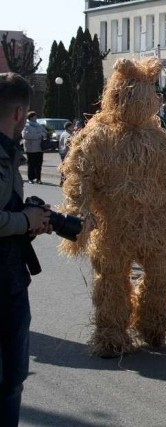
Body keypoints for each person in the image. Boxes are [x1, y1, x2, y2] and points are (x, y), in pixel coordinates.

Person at [0, 72, 52, 426]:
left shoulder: (8, 153)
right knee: (8, 382)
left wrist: (30, 222)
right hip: (2, 287)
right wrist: (24, 220)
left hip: (9, 274)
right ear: (20, 114)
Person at [20, 111, 47, 184]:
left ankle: (38, 178)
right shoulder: (26, 126)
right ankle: (30, 178)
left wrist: (42, 134)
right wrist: (38, 135)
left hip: (39, 148)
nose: (36, 118)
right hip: (30, 148)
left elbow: (45, 133)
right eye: (34, 116)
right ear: (31, 117)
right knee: (31, 164)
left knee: (39, 164)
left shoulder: (39, 125)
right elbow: (25, 135)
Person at [58, 121, 74, 186]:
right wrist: (68, 154)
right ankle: (63, 181)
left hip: (63, 152)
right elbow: (67, 144)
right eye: (72, 127)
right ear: (68, 127)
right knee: (66, 167)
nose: (73, 128)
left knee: (65, 167)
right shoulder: (67, 134)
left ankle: (63, 181)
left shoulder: (66, 133)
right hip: (65, 153)